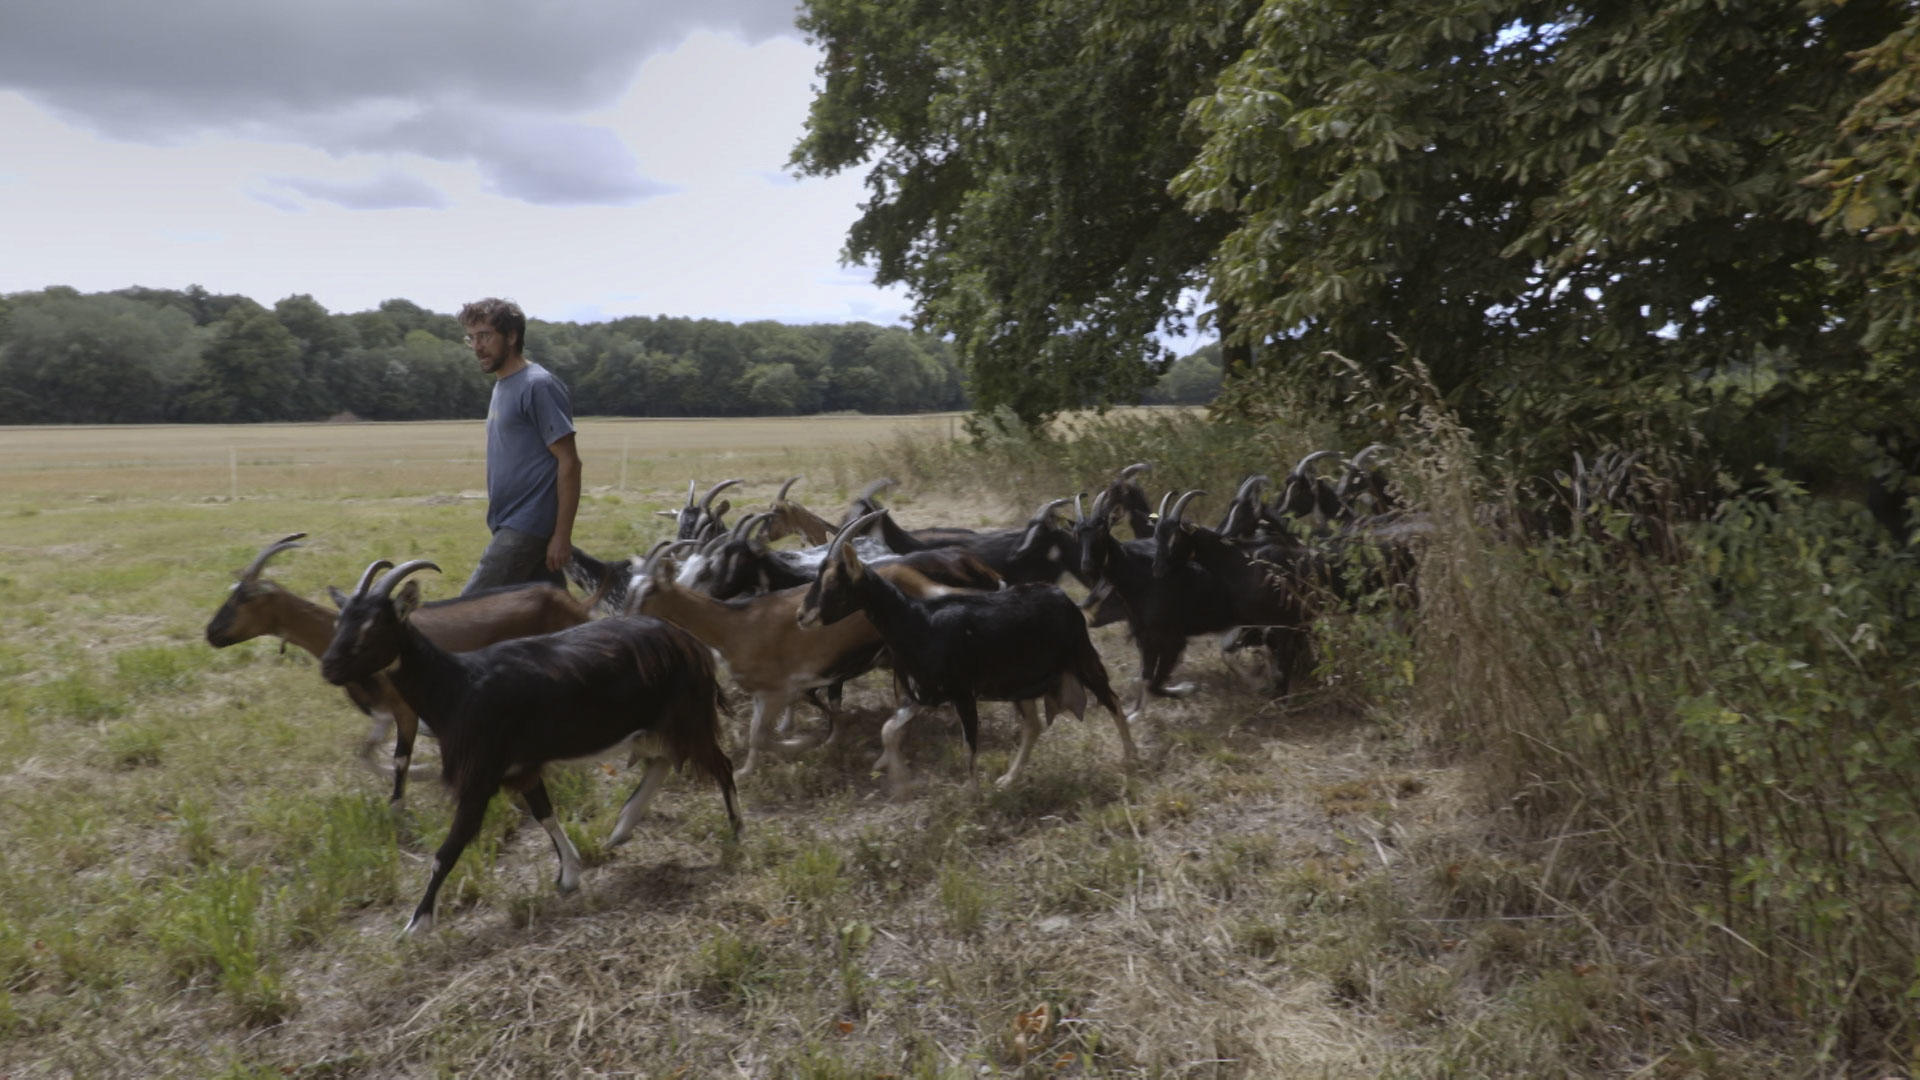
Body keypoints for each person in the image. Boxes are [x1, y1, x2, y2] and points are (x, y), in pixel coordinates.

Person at [456, 297, 581, 595]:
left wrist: (562, 536)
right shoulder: (503, 385)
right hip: (507, 522)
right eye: (471, 338)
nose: (477, 346)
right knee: (549, 622)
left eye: (485, 336)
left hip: (526, 527)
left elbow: (570, 462)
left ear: (511, 336)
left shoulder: (537, 385)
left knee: (467, 613)